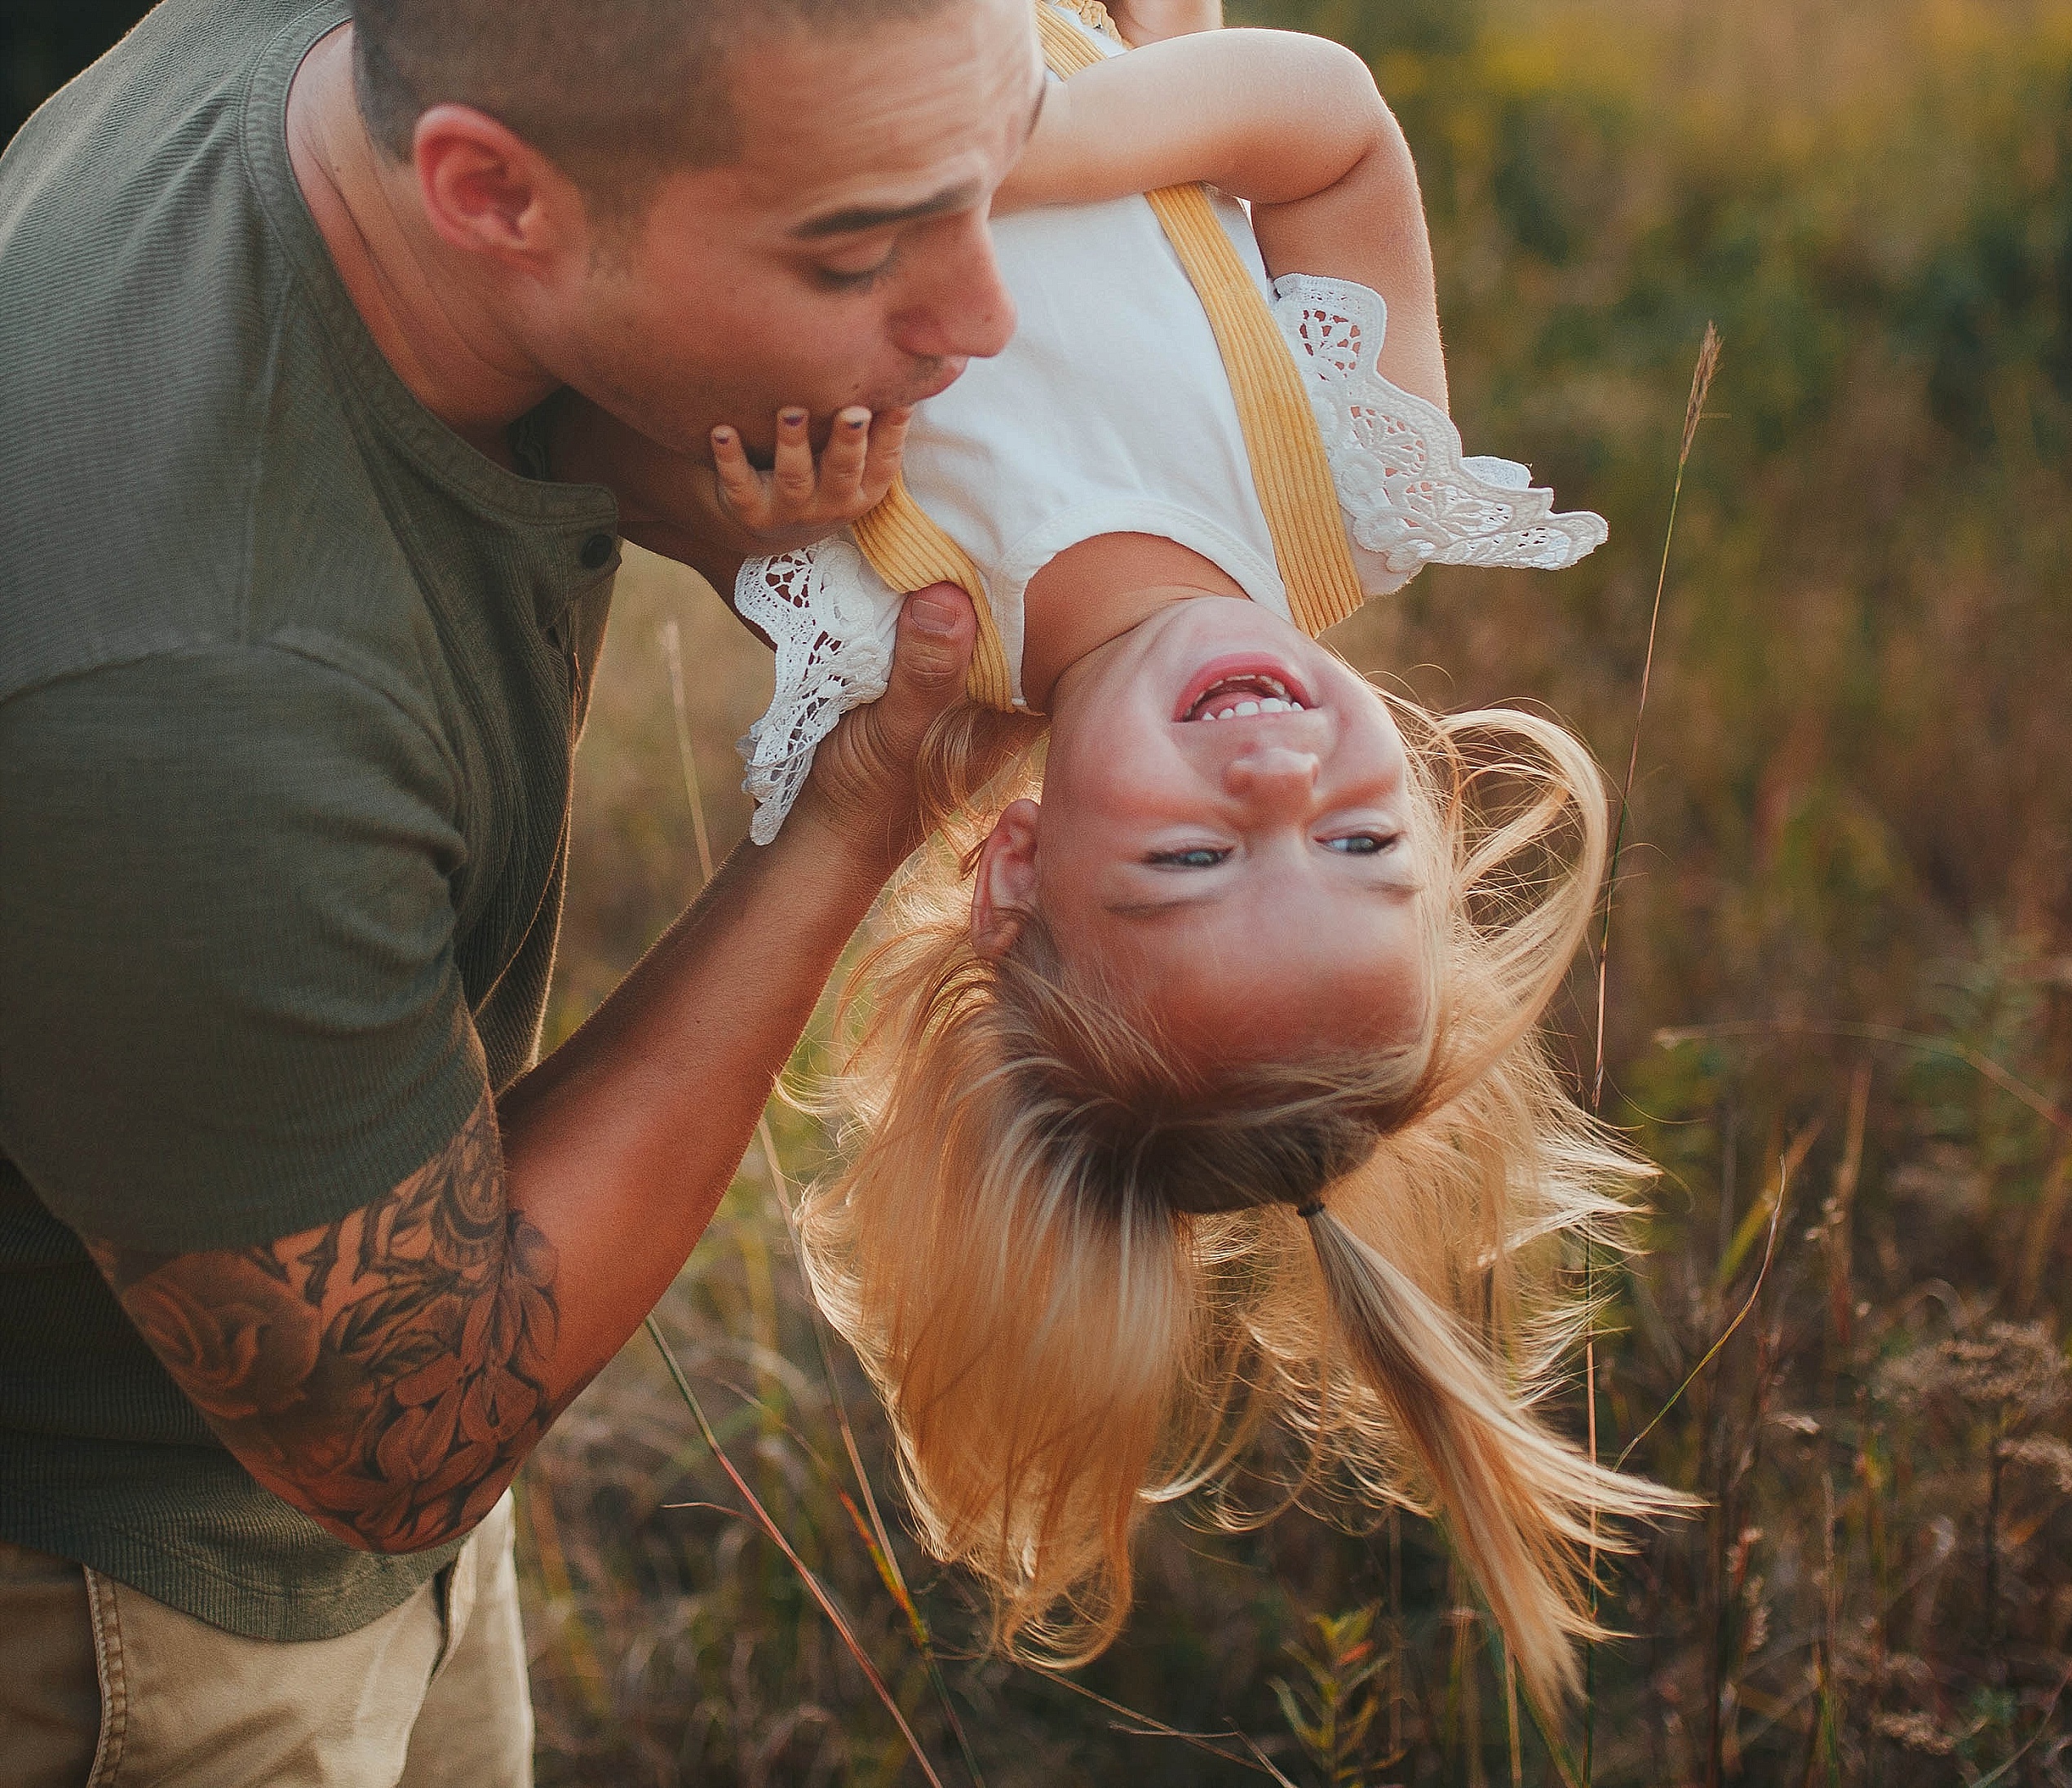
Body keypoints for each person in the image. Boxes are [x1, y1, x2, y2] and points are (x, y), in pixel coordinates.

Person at [0, 0, 1203, 1777]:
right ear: (492, 196)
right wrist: (847, 818)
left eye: (994, 175)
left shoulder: (433, 75)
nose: (983, 317)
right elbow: (405, 1427)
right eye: (861, 248)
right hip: (166, 1623)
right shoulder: (197, 693)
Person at [582, 4, 1683, 1702]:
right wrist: (991, 155)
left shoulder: (892, 599)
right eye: (1359, 837)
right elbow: (1326, 124)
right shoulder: (1353, 485)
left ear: (1014, 873)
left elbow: (594, 391)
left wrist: (725, 472)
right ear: (1438, 812)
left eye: (1192, 863)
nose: (1273, 772)